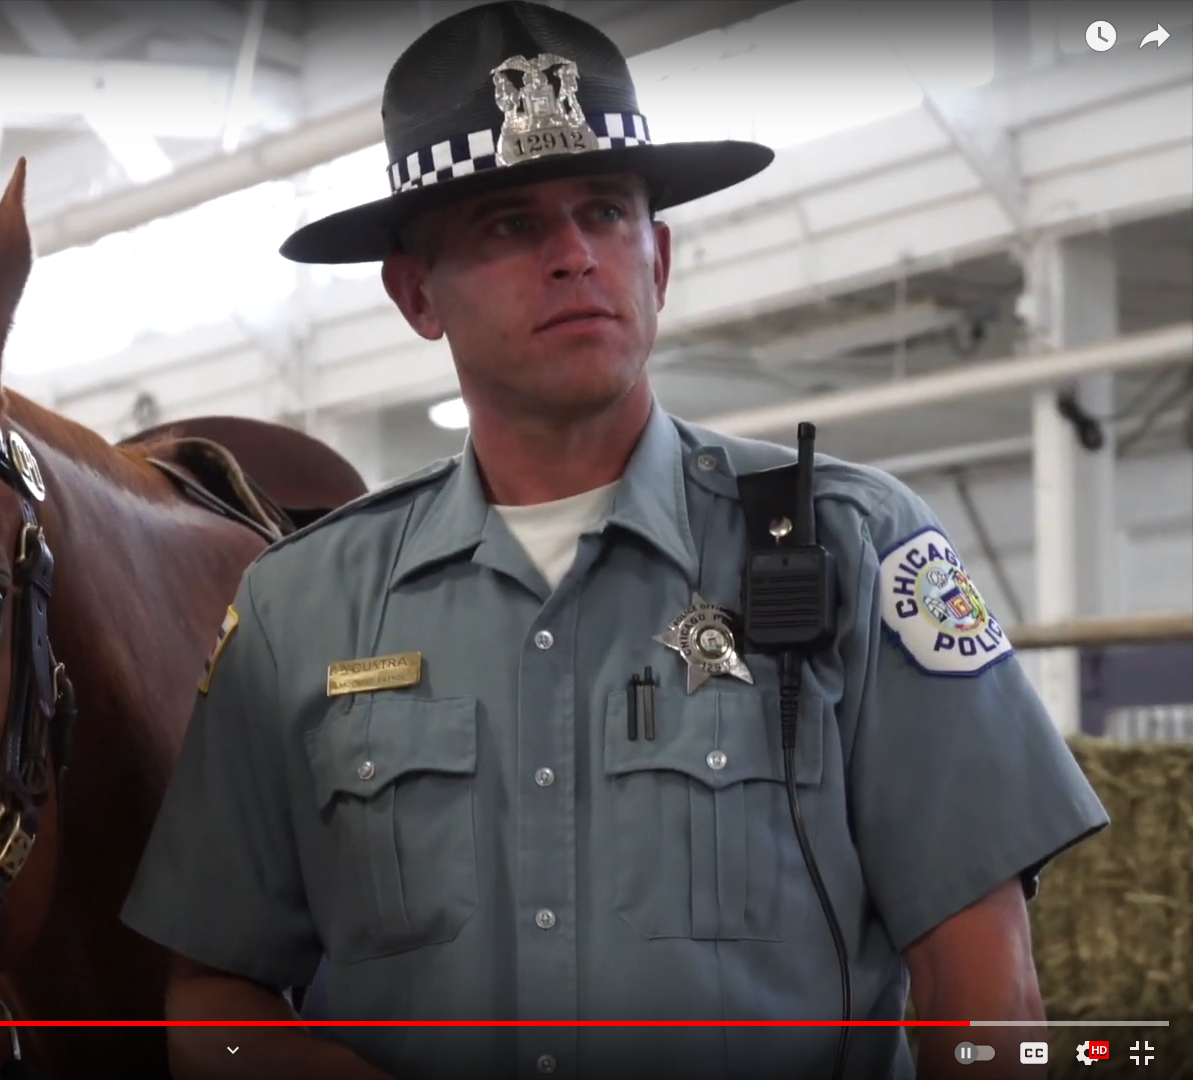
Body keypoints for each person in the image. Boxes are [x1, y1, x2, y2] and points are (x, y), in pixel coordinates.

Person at [120, 4, 1110, 1080]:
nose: (574, 257)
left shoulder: (855, 548)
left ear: (660, 259)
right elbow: (212, 997)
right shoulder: (298, 612)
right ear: (415, 295)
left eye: (604, 212)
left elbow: (985, 992)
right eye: (509, 225)